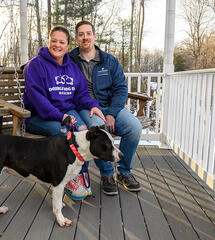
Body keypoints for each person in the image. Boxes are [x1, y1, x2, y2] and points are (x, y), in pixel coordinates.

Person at [23, 26, 106, 200]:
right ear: (48, 41)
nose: (57, 45)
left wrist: (92, 105)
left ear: (68, 45)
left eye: (62, 42)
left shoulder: (72, 67)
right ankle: (67, 179)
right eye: (54, 40)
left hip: (66, 113)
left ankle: (78, 174)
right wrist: (60, 116)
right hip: (39, 117)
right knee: (64, 133)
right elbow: (38, 100)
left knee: (83, 130)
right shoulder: (35, 66)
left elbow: (82, 93)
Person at [70, 20, 142, 195]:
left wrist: (111, 113)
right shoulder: (70, 60)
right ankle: (107, 174)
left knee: (134, 127)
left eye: (88, 33)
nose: (85, 37)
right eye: (81, 34)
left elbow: (121, 88)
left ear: (94, 36)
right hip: (85, 107)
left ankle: (124, 172)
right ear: (76, 38)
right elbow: (50, 62)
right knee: (97, 129)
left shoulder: (109, 61)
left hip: (110, 106)